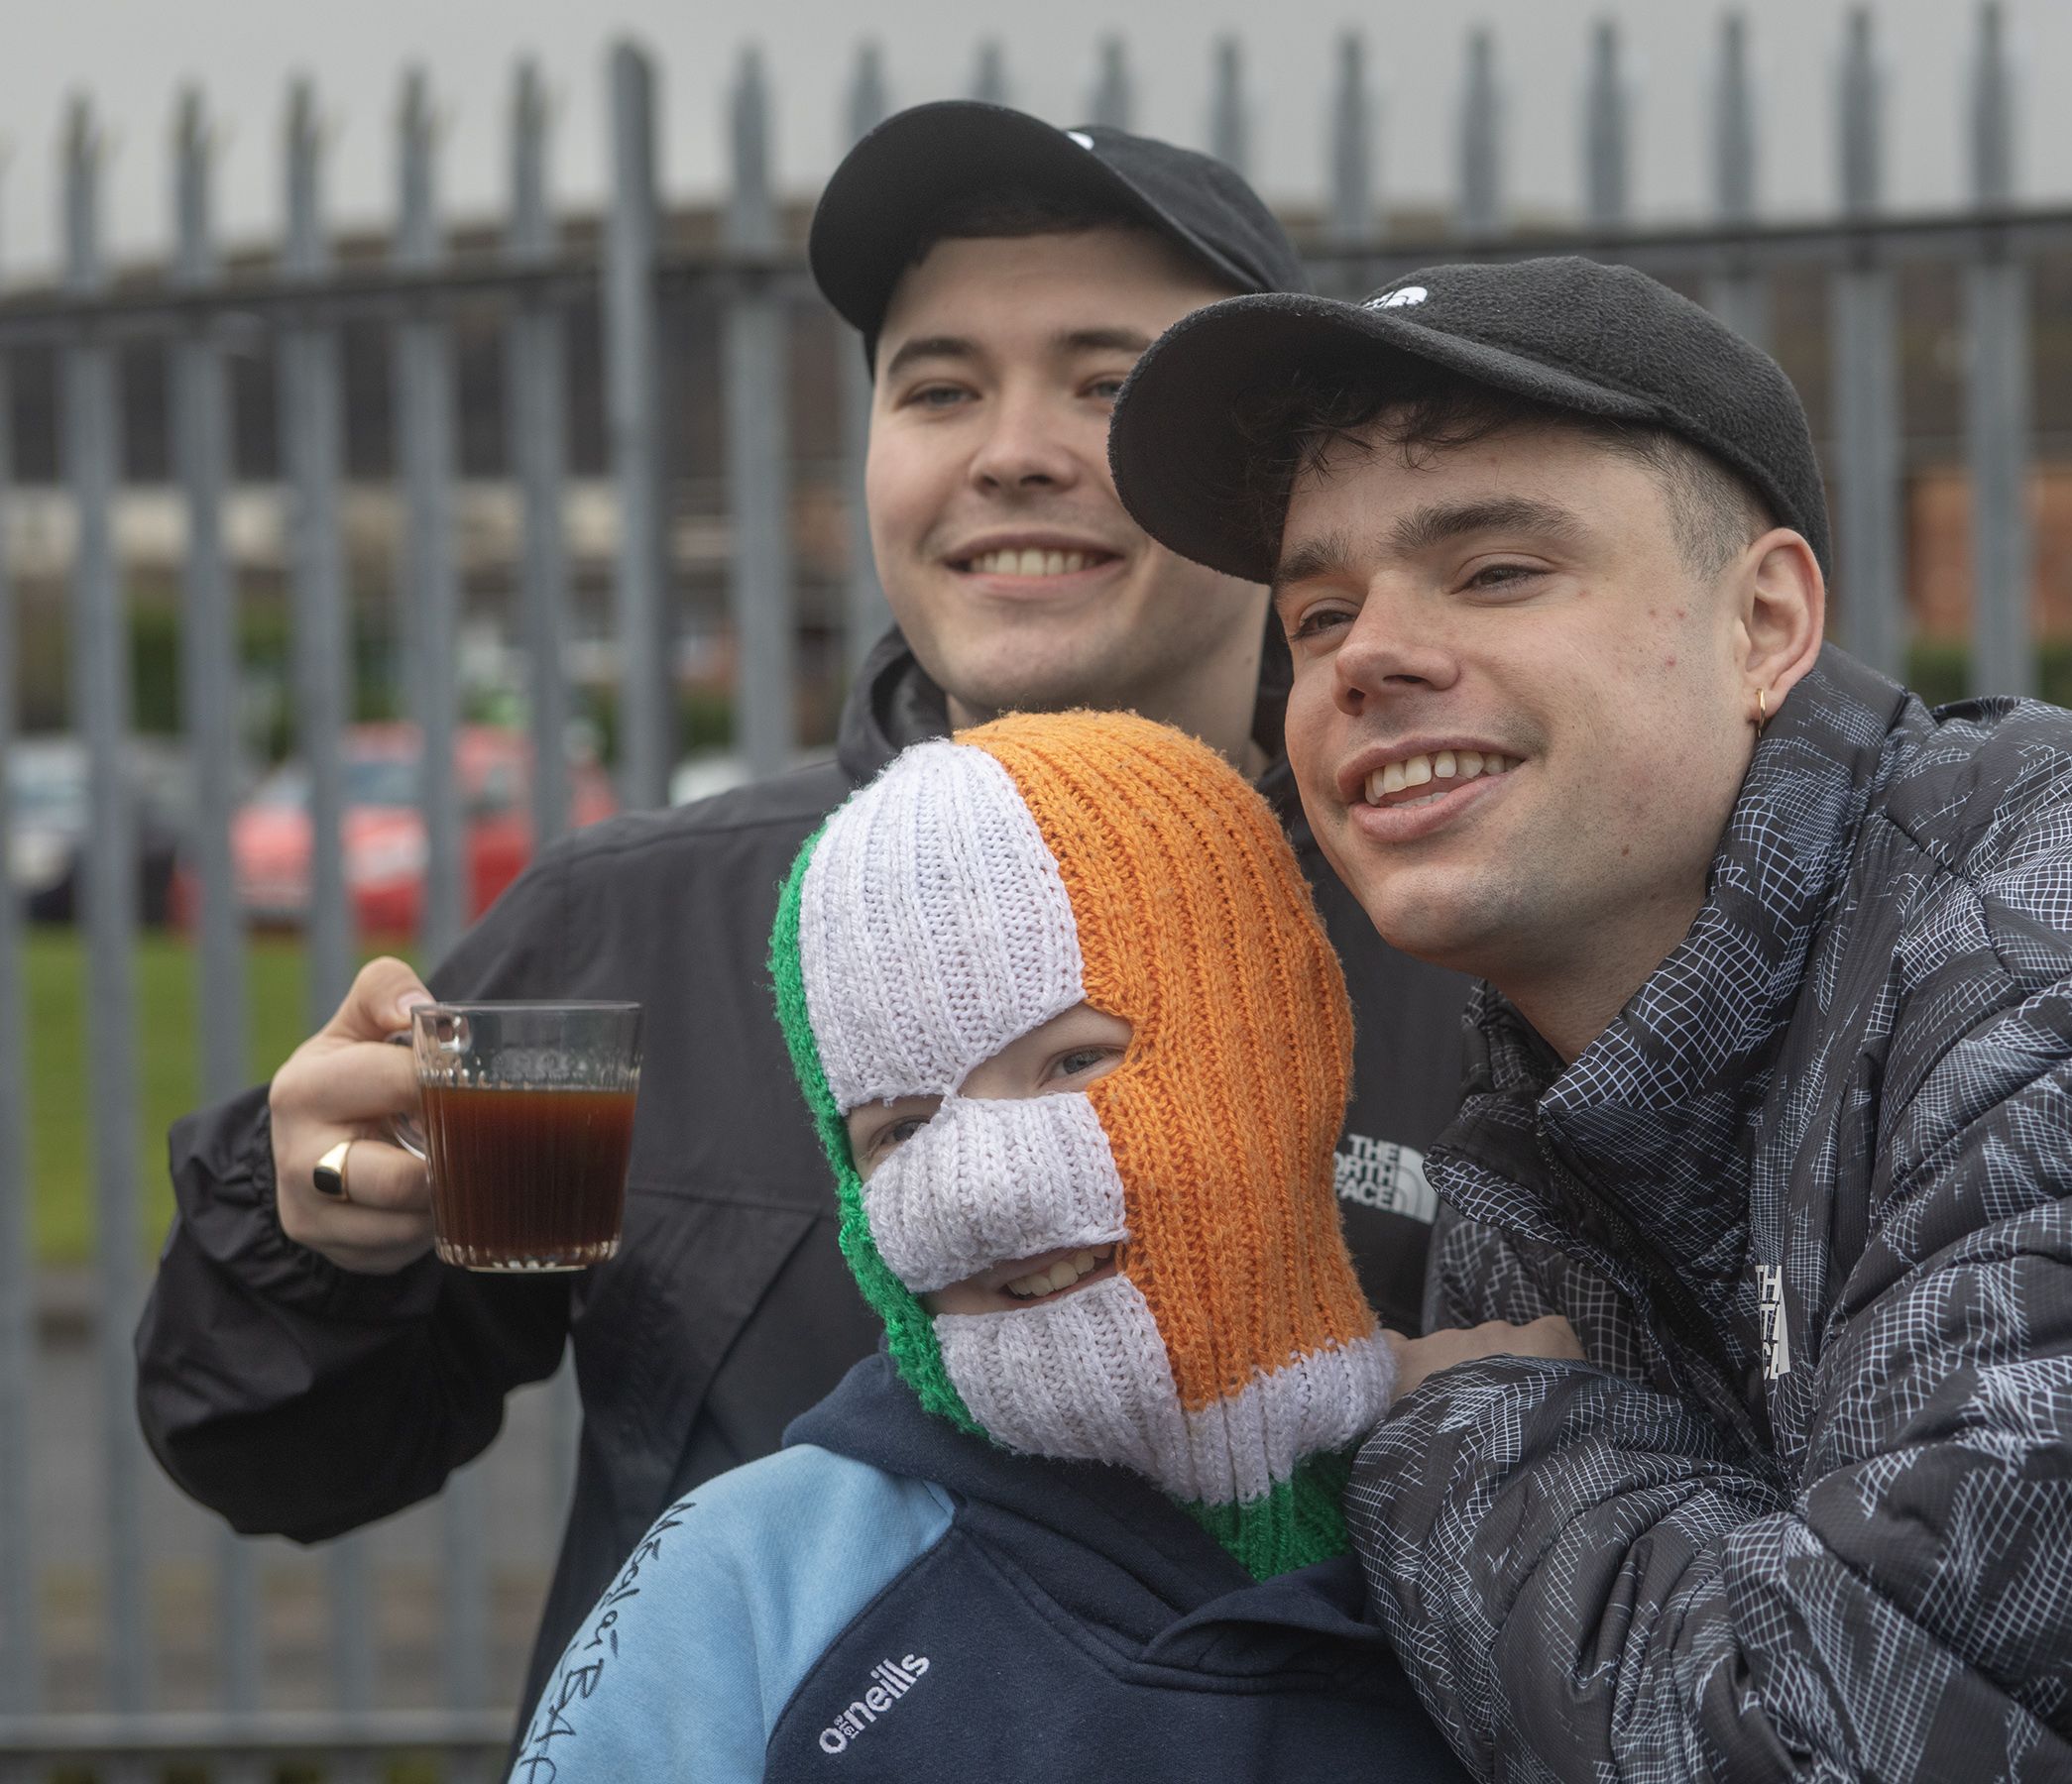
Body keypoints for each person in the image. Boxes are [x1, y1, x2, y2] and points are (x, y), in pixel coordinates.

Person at [1103, 257, 2072, 1776]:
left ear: (1766, 627)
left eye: (1499, 569)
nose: (1366, 657)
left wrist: (1475, 1442)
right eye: (1316, 616)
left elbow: (1856, 1746)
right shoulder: (1577, 1068)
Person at [135, 104, 1468, 1728]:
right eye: (938, 386)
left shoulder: (1462, 919)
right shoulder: (641, 924)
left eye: (1109, 383)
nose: (1011, 449)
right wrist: (315, 1242)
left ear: (1265, 474)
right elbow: (282, 1457)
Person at [506, 710, 1462, 1783]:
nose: (982, 1189)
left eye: (1073, 1063)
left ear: (1289, 1043)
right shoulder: (759, 1583)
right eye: (900, 1131)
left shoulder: (1509, 1509)